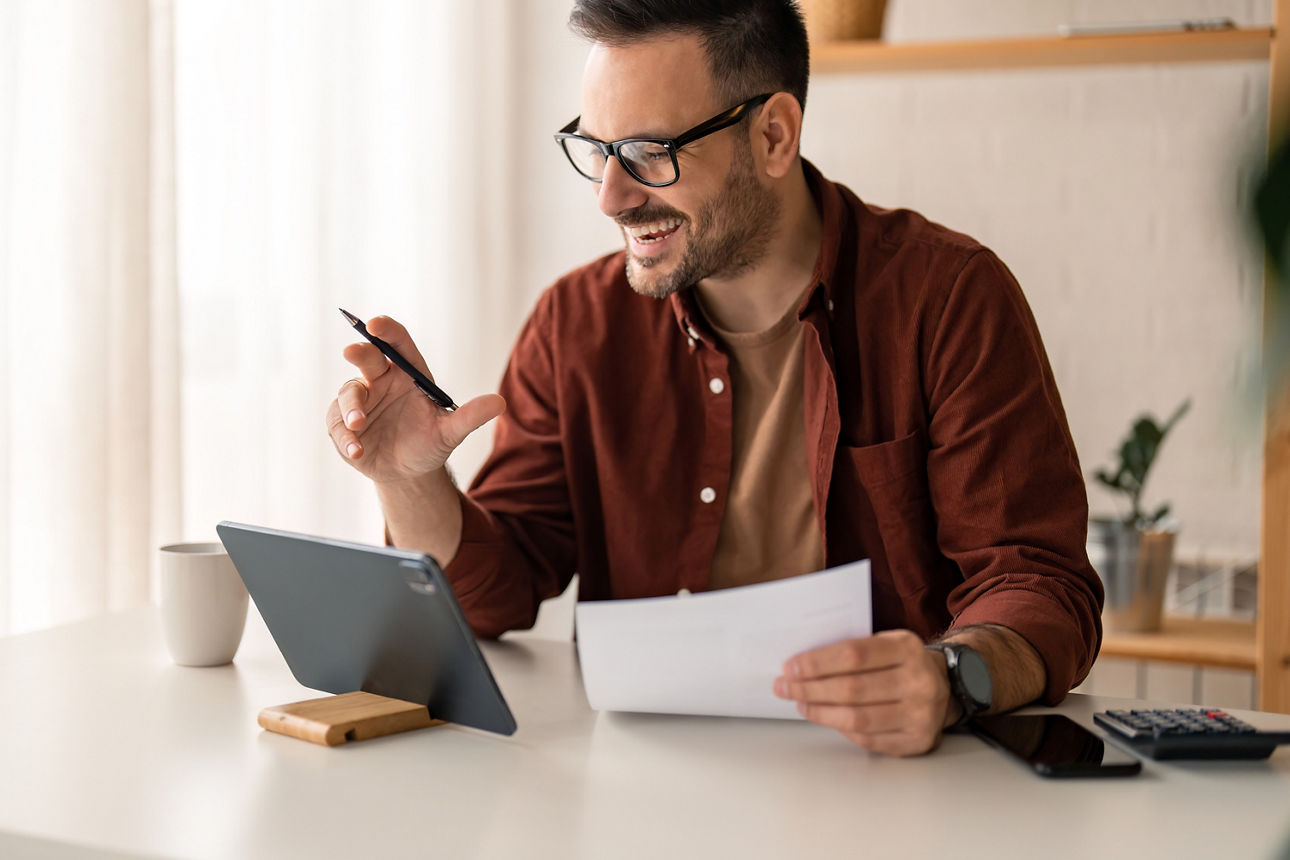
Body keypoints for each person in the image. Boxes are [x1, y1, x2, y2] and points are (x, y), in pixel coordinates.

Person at [325, 0, 1103, 757]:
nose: (611, 197)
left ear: (773, 135)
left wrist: (949, 678)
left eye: (649, 153)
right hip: (641, 789)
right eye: (597, 149)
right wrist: (410, 482)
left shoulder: (947, 299)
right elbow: (498, 593)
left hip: (884, 790)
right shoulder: (576, 325)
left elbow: (1039, 584)